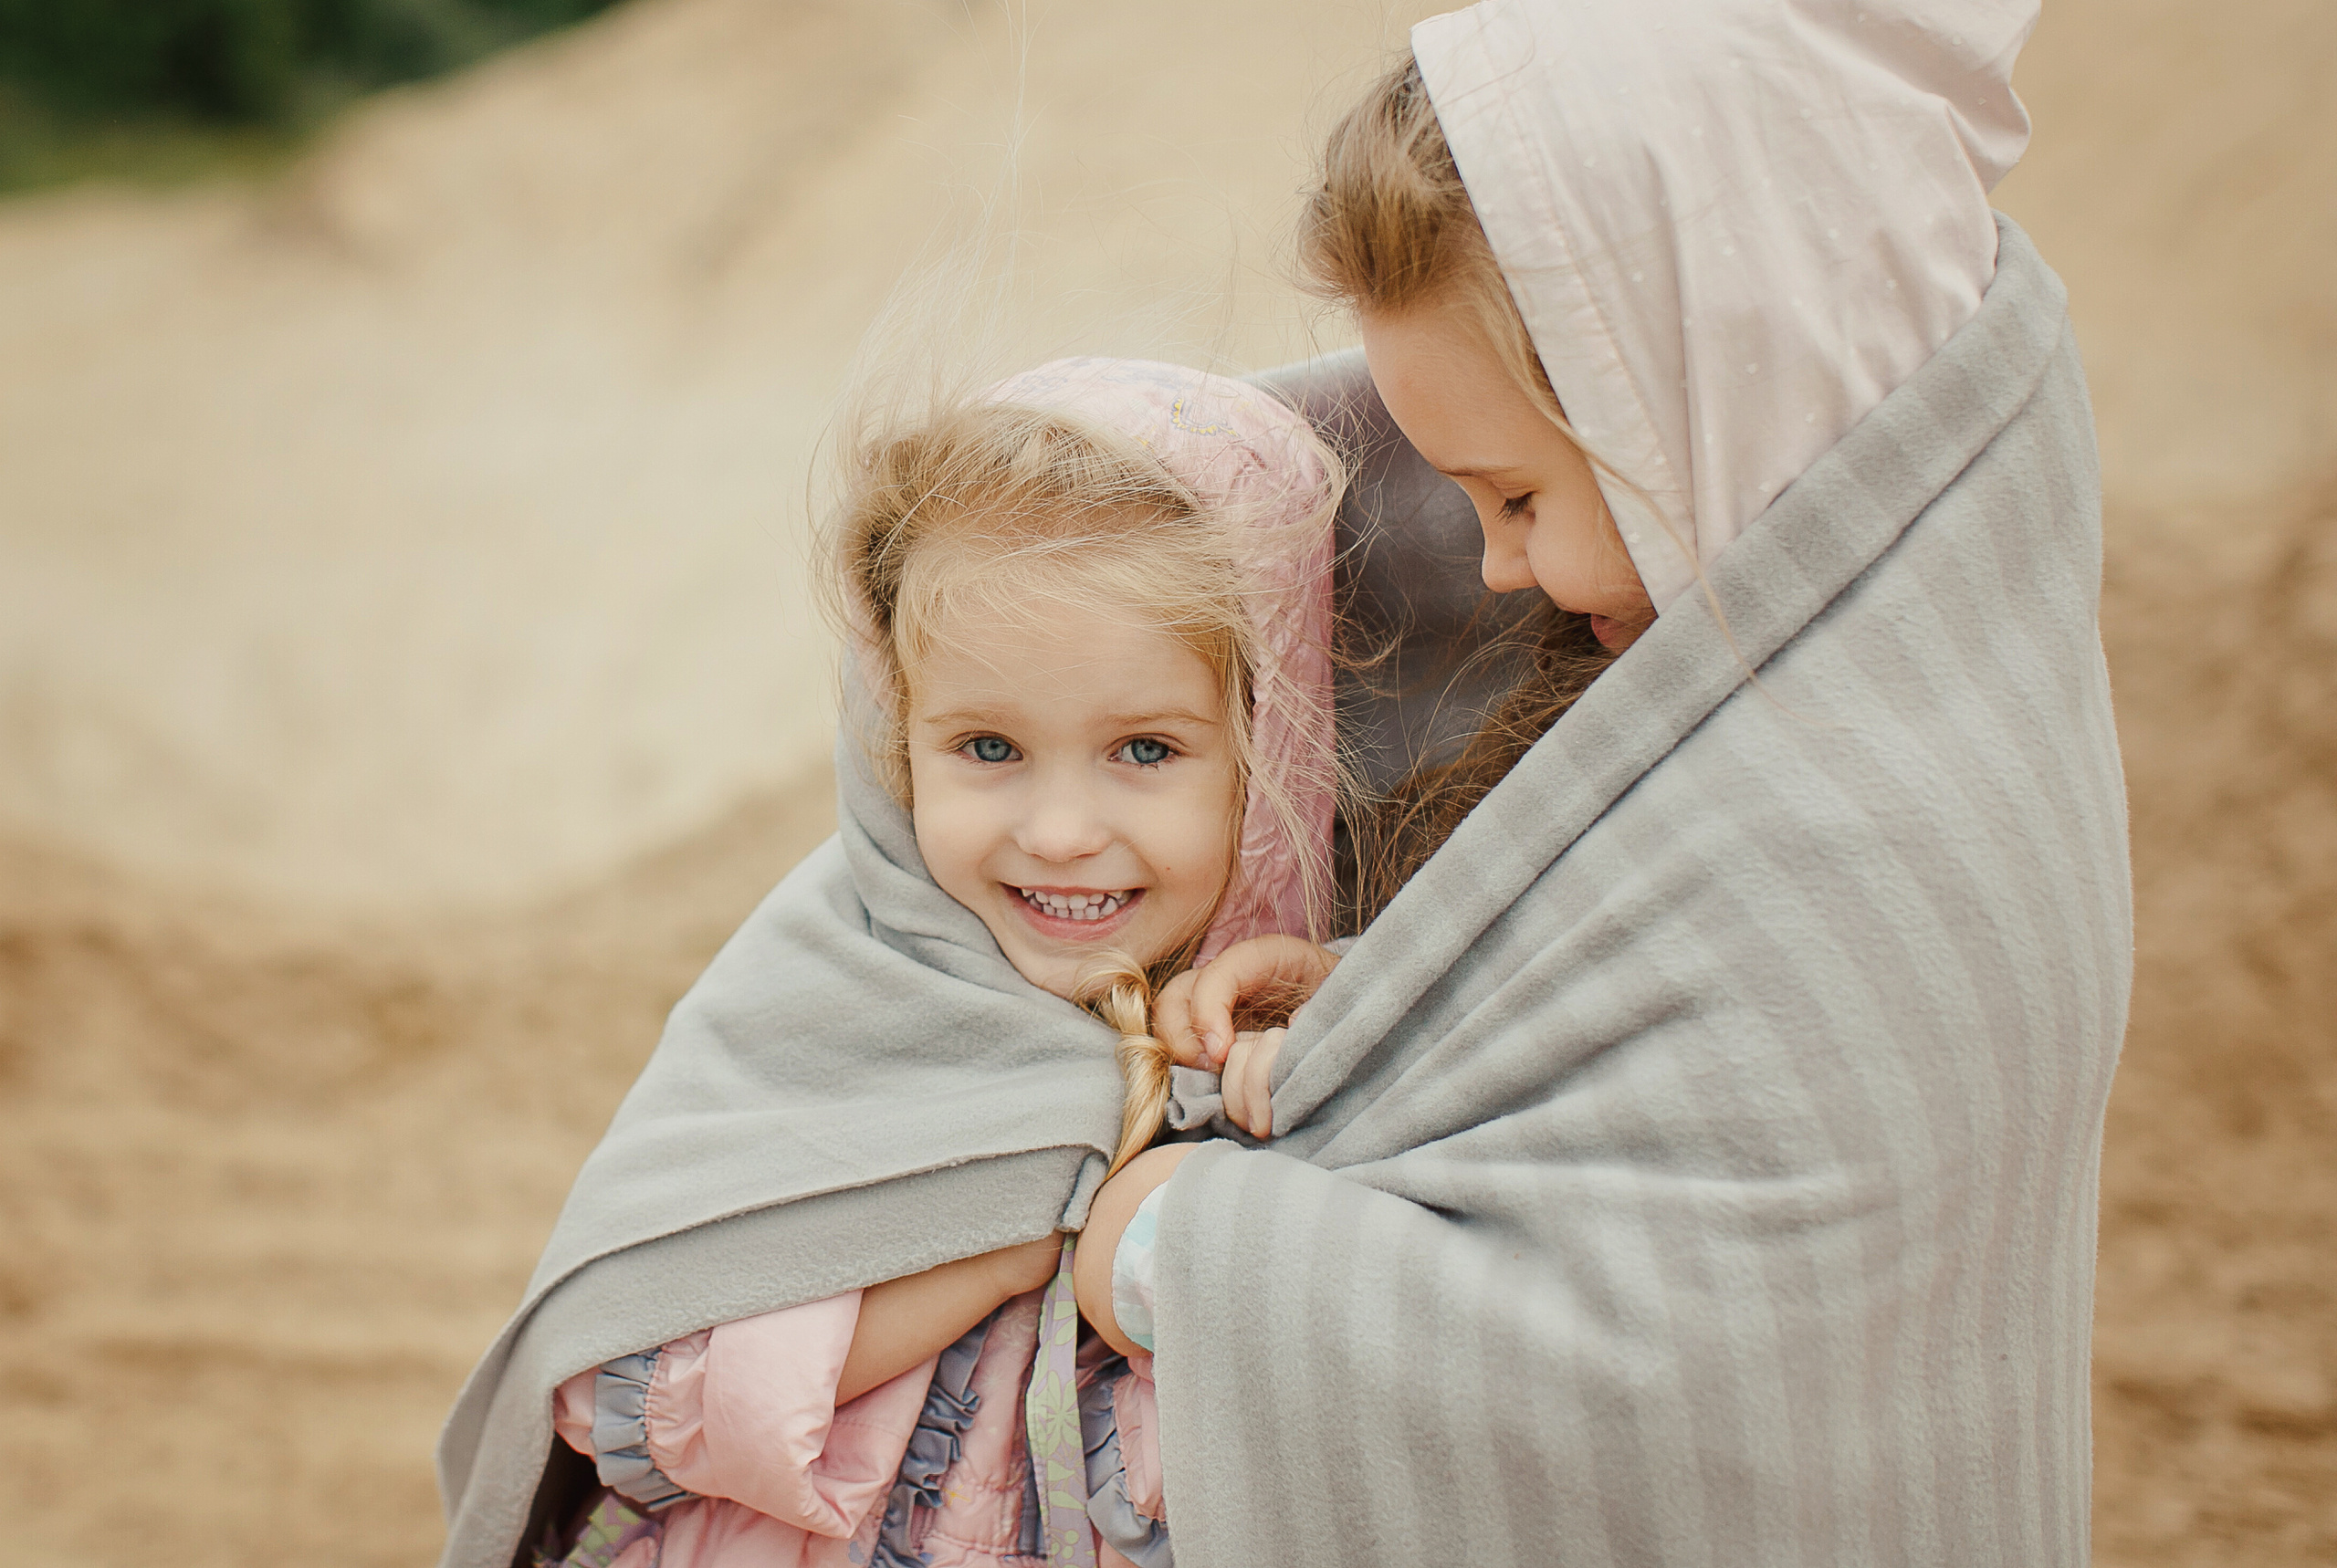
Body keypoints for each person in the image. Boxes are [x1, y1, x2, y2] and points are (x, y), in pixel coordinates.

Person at [1070, 3, 2132, 1565]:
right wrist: (1403, 1000)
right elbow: (1665, 1069)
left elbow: (1659, 1387)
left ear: (1709, 406)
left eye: (1517, 495)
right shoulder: (1920, 671)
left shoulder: (1842, 830)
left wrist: (1188, 1253)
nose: (1502, 567)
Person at [474, 355, 1341, 1568]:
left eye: (1145, 749)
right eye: (988, 746)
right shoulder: (828, 991)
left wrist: (1304, 1062)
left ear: (1271, 744)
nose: (1058, 832)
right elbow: (622, 1394)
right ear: (897, 741)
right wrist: (995, 1245)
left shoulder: (1306, 1031)